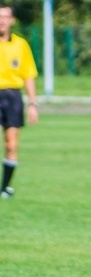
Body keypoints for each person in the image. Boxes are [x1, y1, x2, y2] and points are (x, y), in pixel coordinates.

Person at [0, 4, 38, 199]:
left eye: (5, 17)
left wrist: (32, 104)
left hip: (12, 96)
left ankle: (4, 188)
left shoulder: (20, 45)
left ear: (12, 20)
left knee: (11, 144)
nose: (1, 21)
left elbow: (28, 75)